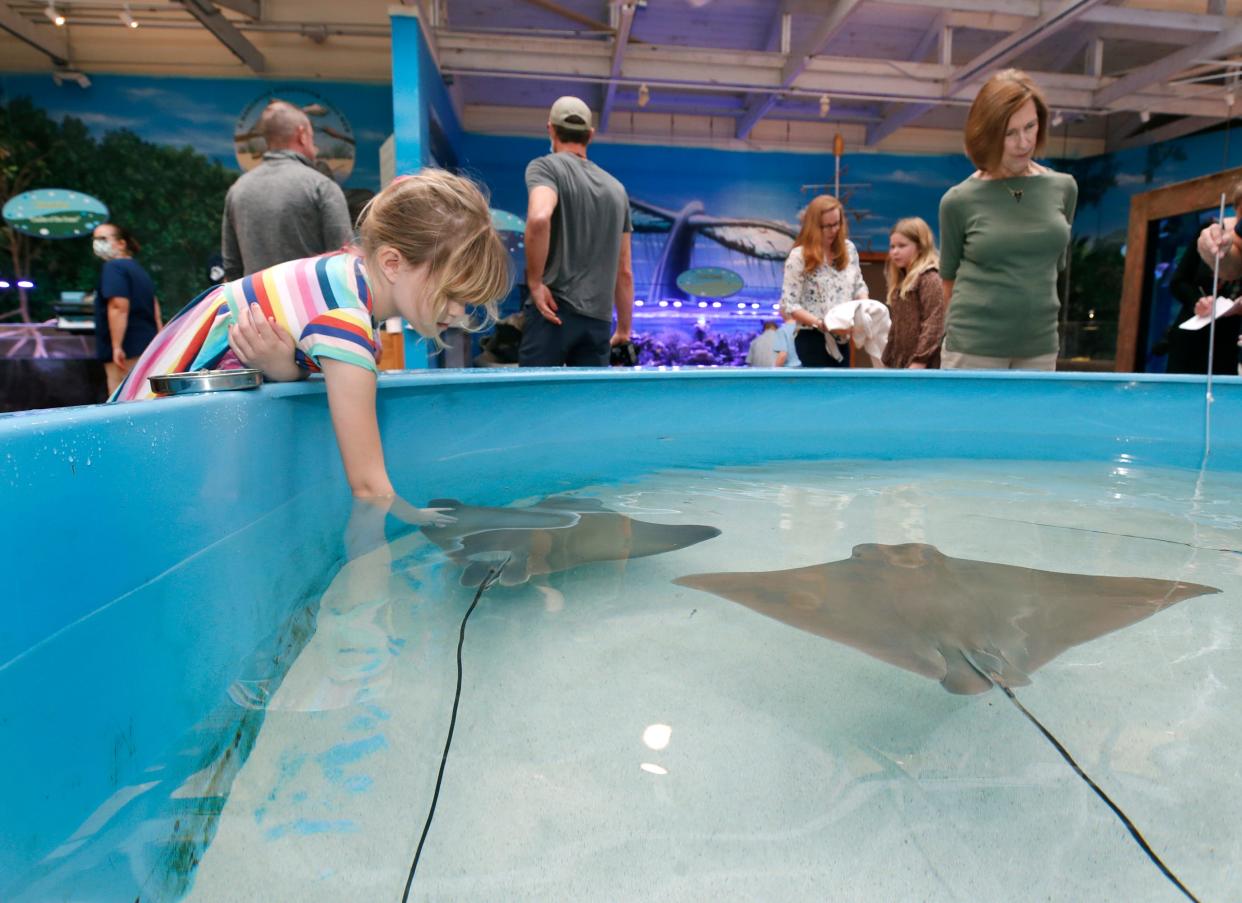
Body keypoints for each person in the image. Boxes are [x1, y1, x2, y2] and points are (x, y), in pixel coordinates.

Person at [113, 169, 511, 520]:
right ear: (392, 263)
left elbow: (301, 352)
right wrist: (413, 520)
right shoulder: (347, 319)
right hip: (147, 440)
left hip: (137, 422)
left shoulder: (343, 273)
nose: (458, 311)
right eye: (452, 291)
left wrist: (285, 368)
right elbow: (369, 488)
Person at [938, 69, 1077, 371]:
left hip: (1040, 347)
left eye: (1030, 126)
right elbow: (948, 281)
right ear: (987, 134)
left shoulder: (1064, 188)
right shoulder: (958, 200)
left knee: (1033, 420)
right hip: (973, 348)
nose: (1023, 142)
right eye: (1009, 133)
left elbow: (1053, 267)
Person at [520, 96, 634, 367]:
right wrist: (624, 331)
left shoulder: (546, 167)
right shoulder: (617, 190)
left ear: (551, 129)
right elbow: (625, 271)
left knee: (536, 404)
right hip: (597, 325)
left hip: (552, 312)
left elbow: (538, 217)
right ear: (590, 136)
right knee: (590, 407)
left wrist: (535, 283)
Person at [221, 100, 353, 281]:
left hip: (255, 306)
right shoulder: (322, 186)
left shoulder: (237, 191)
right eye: (312, 137)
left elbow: (231, 268)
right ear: (302, 135)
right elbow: (344, 263)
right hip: (314, 308)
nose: (315, 147)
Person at [779, 194, 869, 368]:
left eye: (836, 224)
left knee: (841, 391)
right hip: (812, 338)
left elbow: (859, 286)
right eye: (826, 226)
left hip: (843, 338)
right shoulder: (799, 256)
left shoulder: (848, 249)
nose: (833, 230)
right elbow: (790, 304)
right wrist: (823, 324)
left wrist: (865, 307)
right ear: (813, 226)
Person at [92, 223, 162, 394]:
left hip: (126, 351)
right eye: (95, 239)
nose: (97, 243)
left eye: (103, 239)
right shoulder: (138, 269)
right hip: (146, 346)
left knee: (121, 399)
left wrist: (117, 347)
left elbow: (118, 307)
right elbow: (155, 308)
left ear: (121, 244)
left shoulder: (113, 267)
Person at [881, 217, 945, 369]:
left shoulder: (930, 278)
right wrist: (887, 360)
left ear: (920, 246)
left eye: (902, 246)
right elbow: (896, 328)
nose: (895, 252)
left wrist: (920, 361)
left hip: (925, 367)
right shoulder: (902, 281)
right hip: (902, 364)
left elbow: (934, 322)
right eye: (892, 246)